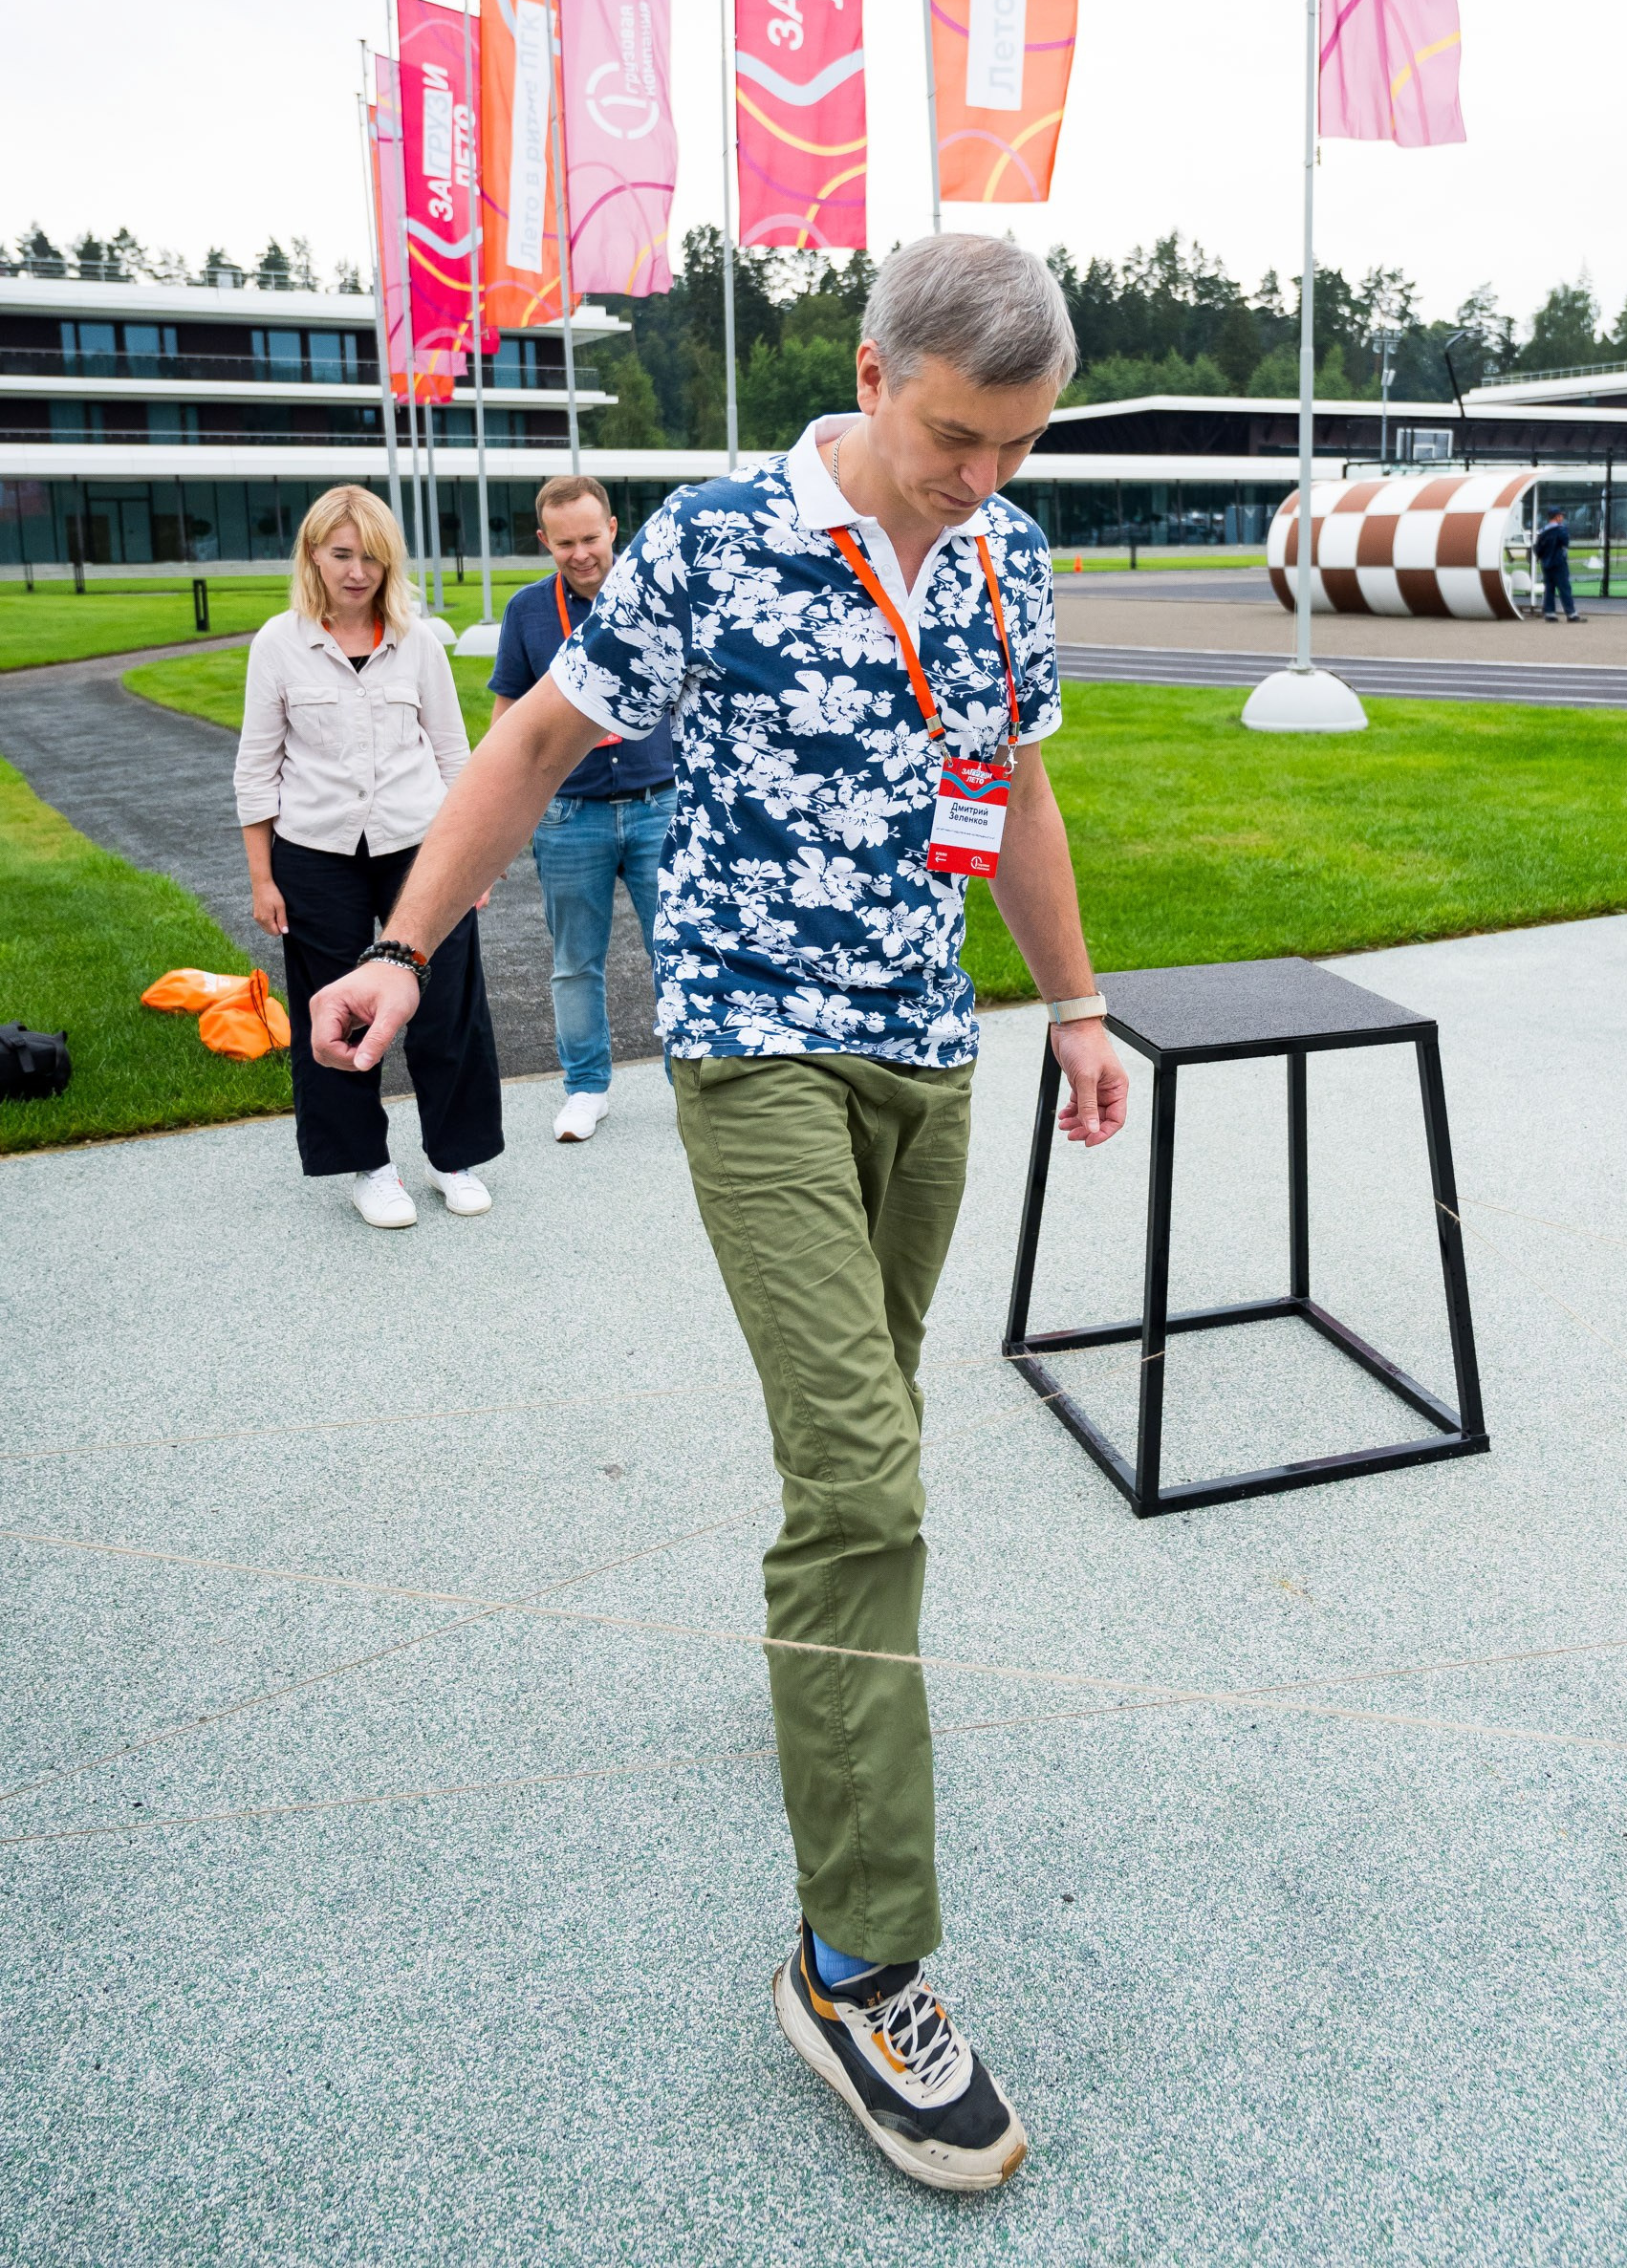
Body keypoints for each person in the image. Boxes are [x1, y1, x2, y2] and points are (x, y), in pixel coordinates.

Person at [307, 234, 1128, 2194]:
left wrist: (1076, 1006)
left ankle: (815, 1678)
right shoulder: (710, 540)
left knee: (864, 1449)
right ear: (865, 370)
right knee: (862, 1479)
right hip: (755, 1047)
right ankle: (858, 1971)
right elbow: (533, 741)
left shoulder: (1006, 552)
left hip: (927, 1054)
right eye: (951, 436)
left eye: (1015, 448)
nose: (977, 479)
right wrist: (410, 950)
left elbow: (1004, 782)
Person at [234, 482, 503, 1230]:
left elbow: (456, 755)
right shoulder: (278, 644)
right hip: (315, 854)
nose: (358, 573)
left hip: (420, 845)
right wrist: (263, 877)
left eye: (373, 559)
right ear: (314, 555)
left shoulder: (419, 642)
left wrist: (471, 861)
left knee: (446, 1000)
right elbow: (257, 769)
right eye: (342, 555)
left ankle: (455, 1156)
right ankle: (368, 1165)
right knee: (337, 1010)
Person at [488, 473, 676, 1143]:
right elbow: (508, 719)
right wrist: (493, 825)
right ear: (545, 540)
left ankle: (696, 1086)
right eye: (564, 542)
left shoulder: (658, 596)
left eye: (591, 538)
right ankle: (586, 1088)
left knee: (679, 950)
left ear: (614, 528)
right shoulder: (529, 612)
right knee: (574, 961)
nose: (580, 554)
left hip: (663, 806)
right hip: (571, 816)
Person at [1533, 508, 1580, 621]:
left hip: (1546, 563)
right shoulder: (1561, 530)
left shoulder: (1543, 531)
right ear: (1557, 517)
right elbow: (1565, 543)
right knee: (1564, 588)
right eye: (1561, 515)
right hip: (1559, 563)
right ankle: (1571, 613)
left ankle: (1550, 613)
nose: (1562, 518)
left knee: (1549, 588)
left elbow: (1537, 548)